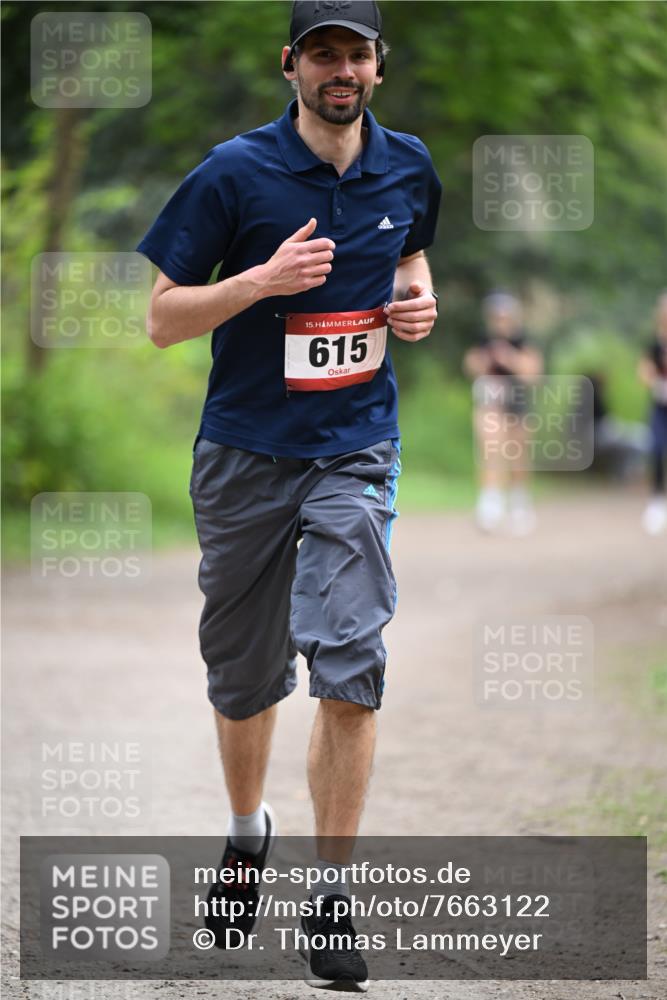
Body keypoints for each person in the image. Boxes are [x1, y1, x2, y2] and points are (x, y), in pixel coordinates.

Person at [137, 1, 441, 989]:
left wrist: (419, 295)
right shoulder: (234, 172)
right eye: (322, 54)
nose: (339, 68)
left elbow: (408, 251)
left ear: (378, 68)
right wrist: (259, 282)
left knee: (350, 651)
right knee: (242, 667)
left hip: (355, 447)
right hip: (242, 453)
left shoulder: (409, 166)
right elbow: (162, 320)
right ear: (291, 66)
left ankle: (334, 897)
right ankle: (244, 833)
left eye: (356, 53)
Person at [463, 292, 543, 535]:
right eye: (497, 317)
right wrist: (484, 361)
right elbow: (470, 366)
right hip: (490, 403)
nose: (501, 322)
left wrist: (510, 359)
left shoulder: (522, 342)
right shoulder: (483, 342)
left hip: (517, 404)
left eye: (504, 317)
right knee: (490, 448)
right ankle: (490, 503)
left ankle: (519, 503)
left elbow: (533, 373)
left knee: (518, 454)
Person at [638, 291, 667, 535]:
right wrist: (656, 383)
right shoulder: (655, 345)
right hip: (660, 408)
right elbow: (644, 373)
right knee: (656, 450)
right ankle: (657, 503)